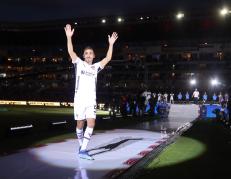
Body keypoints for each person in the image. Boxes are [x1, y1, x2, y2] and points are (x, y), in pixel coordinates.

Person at [64, 24, 118, 160]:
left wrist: (111, 44)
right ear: (83, 55)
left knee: (92, 124)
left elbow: (108, 58)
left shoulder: (95, 67)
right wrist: (69, 37)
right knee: (79, 125)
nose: (88, 55)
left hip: (91, 100)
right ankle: (82, 146)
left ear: (94, 56)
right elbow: (71, 52)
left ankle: (83, 150)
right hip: (80, 100)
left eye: (90, 53)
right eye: (86, 53)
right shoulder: (79, 63)